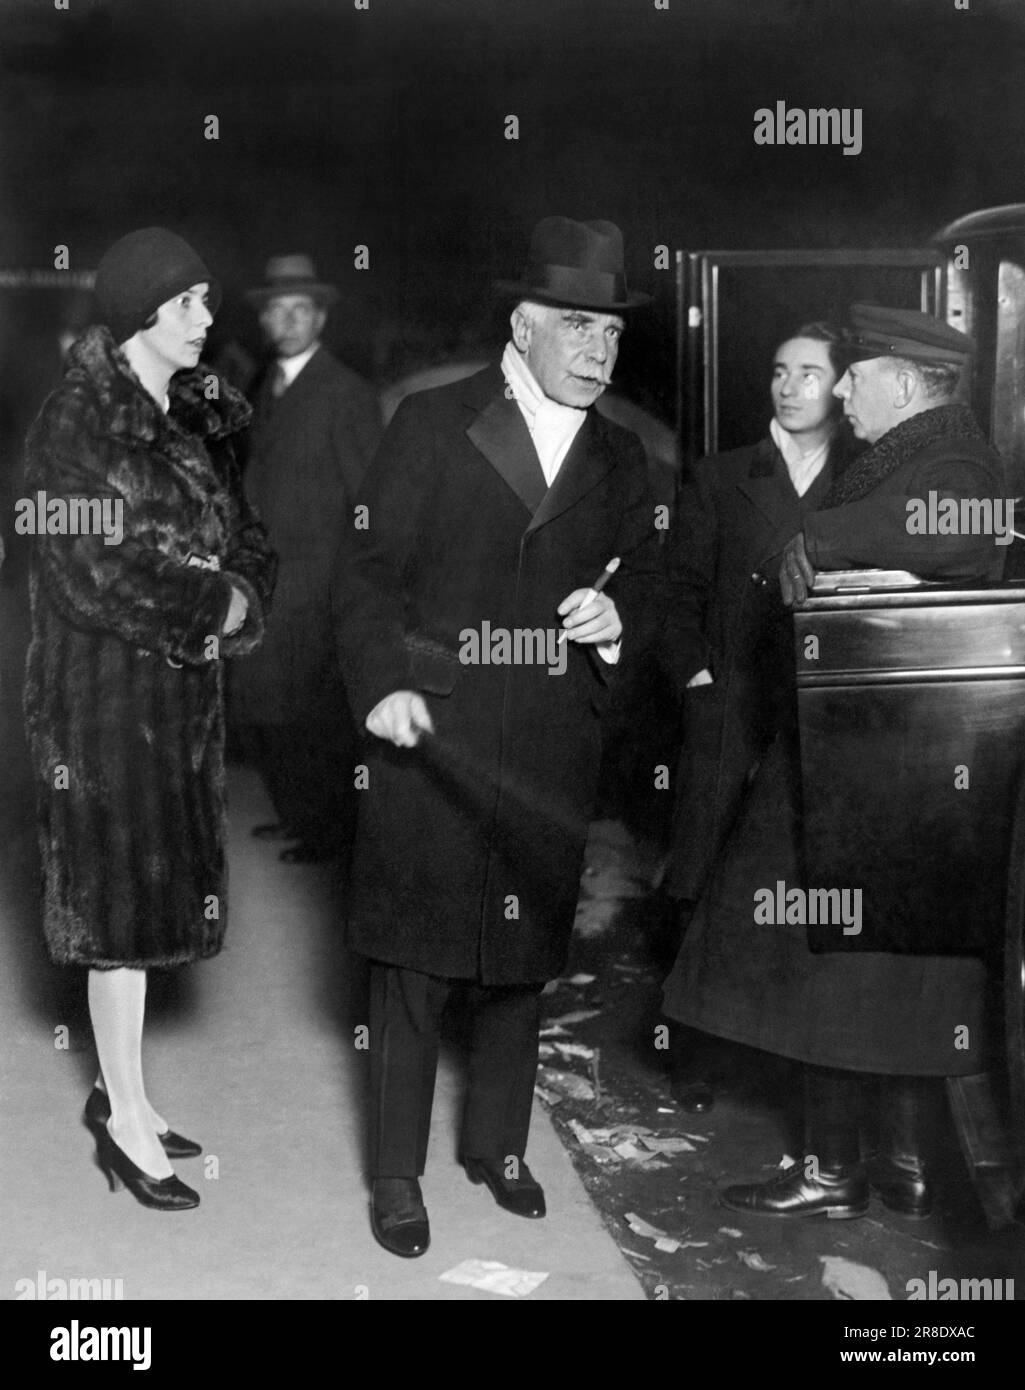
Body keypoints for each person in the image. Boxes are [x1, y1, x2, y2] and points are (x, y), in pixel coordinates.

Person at [332, 217, 661, 1256]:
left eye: (610, 333)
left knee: (520, 958)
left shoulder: (622, 456)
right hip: (434, 725)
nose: (598, 351)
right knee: (414, 961)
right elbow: (366, 577)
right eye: (576, 326)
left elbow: (647, 585)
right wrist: (380, 681)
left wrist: (621, 624)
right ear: (521, 325)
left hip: (549, 733)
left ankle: (499, 1146)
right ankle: (395, 1173)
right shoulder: (430, 423)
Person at [662, 304, 1006, 1219]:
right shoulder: (908, 455)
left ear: (904, 381)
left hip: (877, 778)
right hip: (865, 766)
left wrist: (819, 538)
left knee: (842, 972)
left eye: (856, 373)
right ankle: (875, 1166)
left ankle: (838, 1172)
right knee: (849, 976)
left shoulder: (952, 461)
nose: (840, 387)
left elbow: (965, 530)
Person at [23, 227, 276, 1211]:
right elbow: (82, 566)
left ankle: (121, 1088)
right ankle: (125, 1121)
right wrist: (207, 605)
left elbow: (242, 525)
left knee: (152, 901)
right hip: (98, 705)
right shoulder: (75, 421)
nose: (209, 320)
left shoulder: (196, 407)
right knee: (117, 916)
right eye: (190, 304)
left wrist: (247, 587)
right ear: (143, 315)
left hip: (178, 704)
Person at [660, 322, 860, 1113]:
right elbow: (675, 593)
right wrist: (698, 677)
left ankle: (785, 1053)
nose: (788, 385)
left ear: (840, 387)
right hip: (730, 707)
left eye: (808, 373)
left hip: (818, 715)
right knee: (701, 877)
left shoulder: (864, 478)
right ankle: (697, 1054)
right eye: (779, 371)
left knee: (793, 886)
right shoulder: (720, 476)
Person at [232, 254, 382, 864]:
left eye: (301, 309)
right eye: (277, 310)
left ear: (320, 317)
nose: (288, 320)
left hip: (316, 586)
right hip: (269, 582)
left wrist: (351, 587)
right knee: (272, 708)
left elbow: (368, 497)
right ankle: (298, 816)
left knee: (316, 717)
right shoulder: (263, 387)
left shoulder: (344, 392)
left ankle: (329, 831)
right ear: (264, 320)